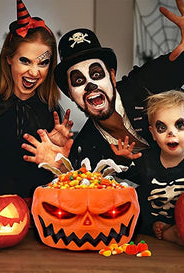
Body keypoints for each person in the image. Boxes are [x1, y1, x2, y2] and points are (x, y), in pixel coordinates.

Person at [21, 0, 184, 172]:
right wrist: (62, 167)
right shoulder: (86, 147)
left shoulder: (143, 83)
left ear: (112, 76)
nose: (90, 85)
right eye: (78, 80)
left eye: (96, 74)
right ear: (70, 94)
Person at [0, 0, 73, 204]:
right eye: (25, 61)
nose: (34, 72)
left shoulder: (50, 110)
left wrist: (59, 159)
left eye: (43, 63)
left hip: (33, 209)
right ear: (9, 58)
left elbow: (60, 178)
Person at [112, 90, 184, 246]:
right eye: (162, 127)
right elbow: (117, 186)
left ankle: (174, 232)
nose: (171, 132)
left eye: (180, 125)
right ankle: (165, 232)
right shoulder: (143, 161)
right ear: (153, 133)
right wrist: (121, 161)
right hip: (147, 231)